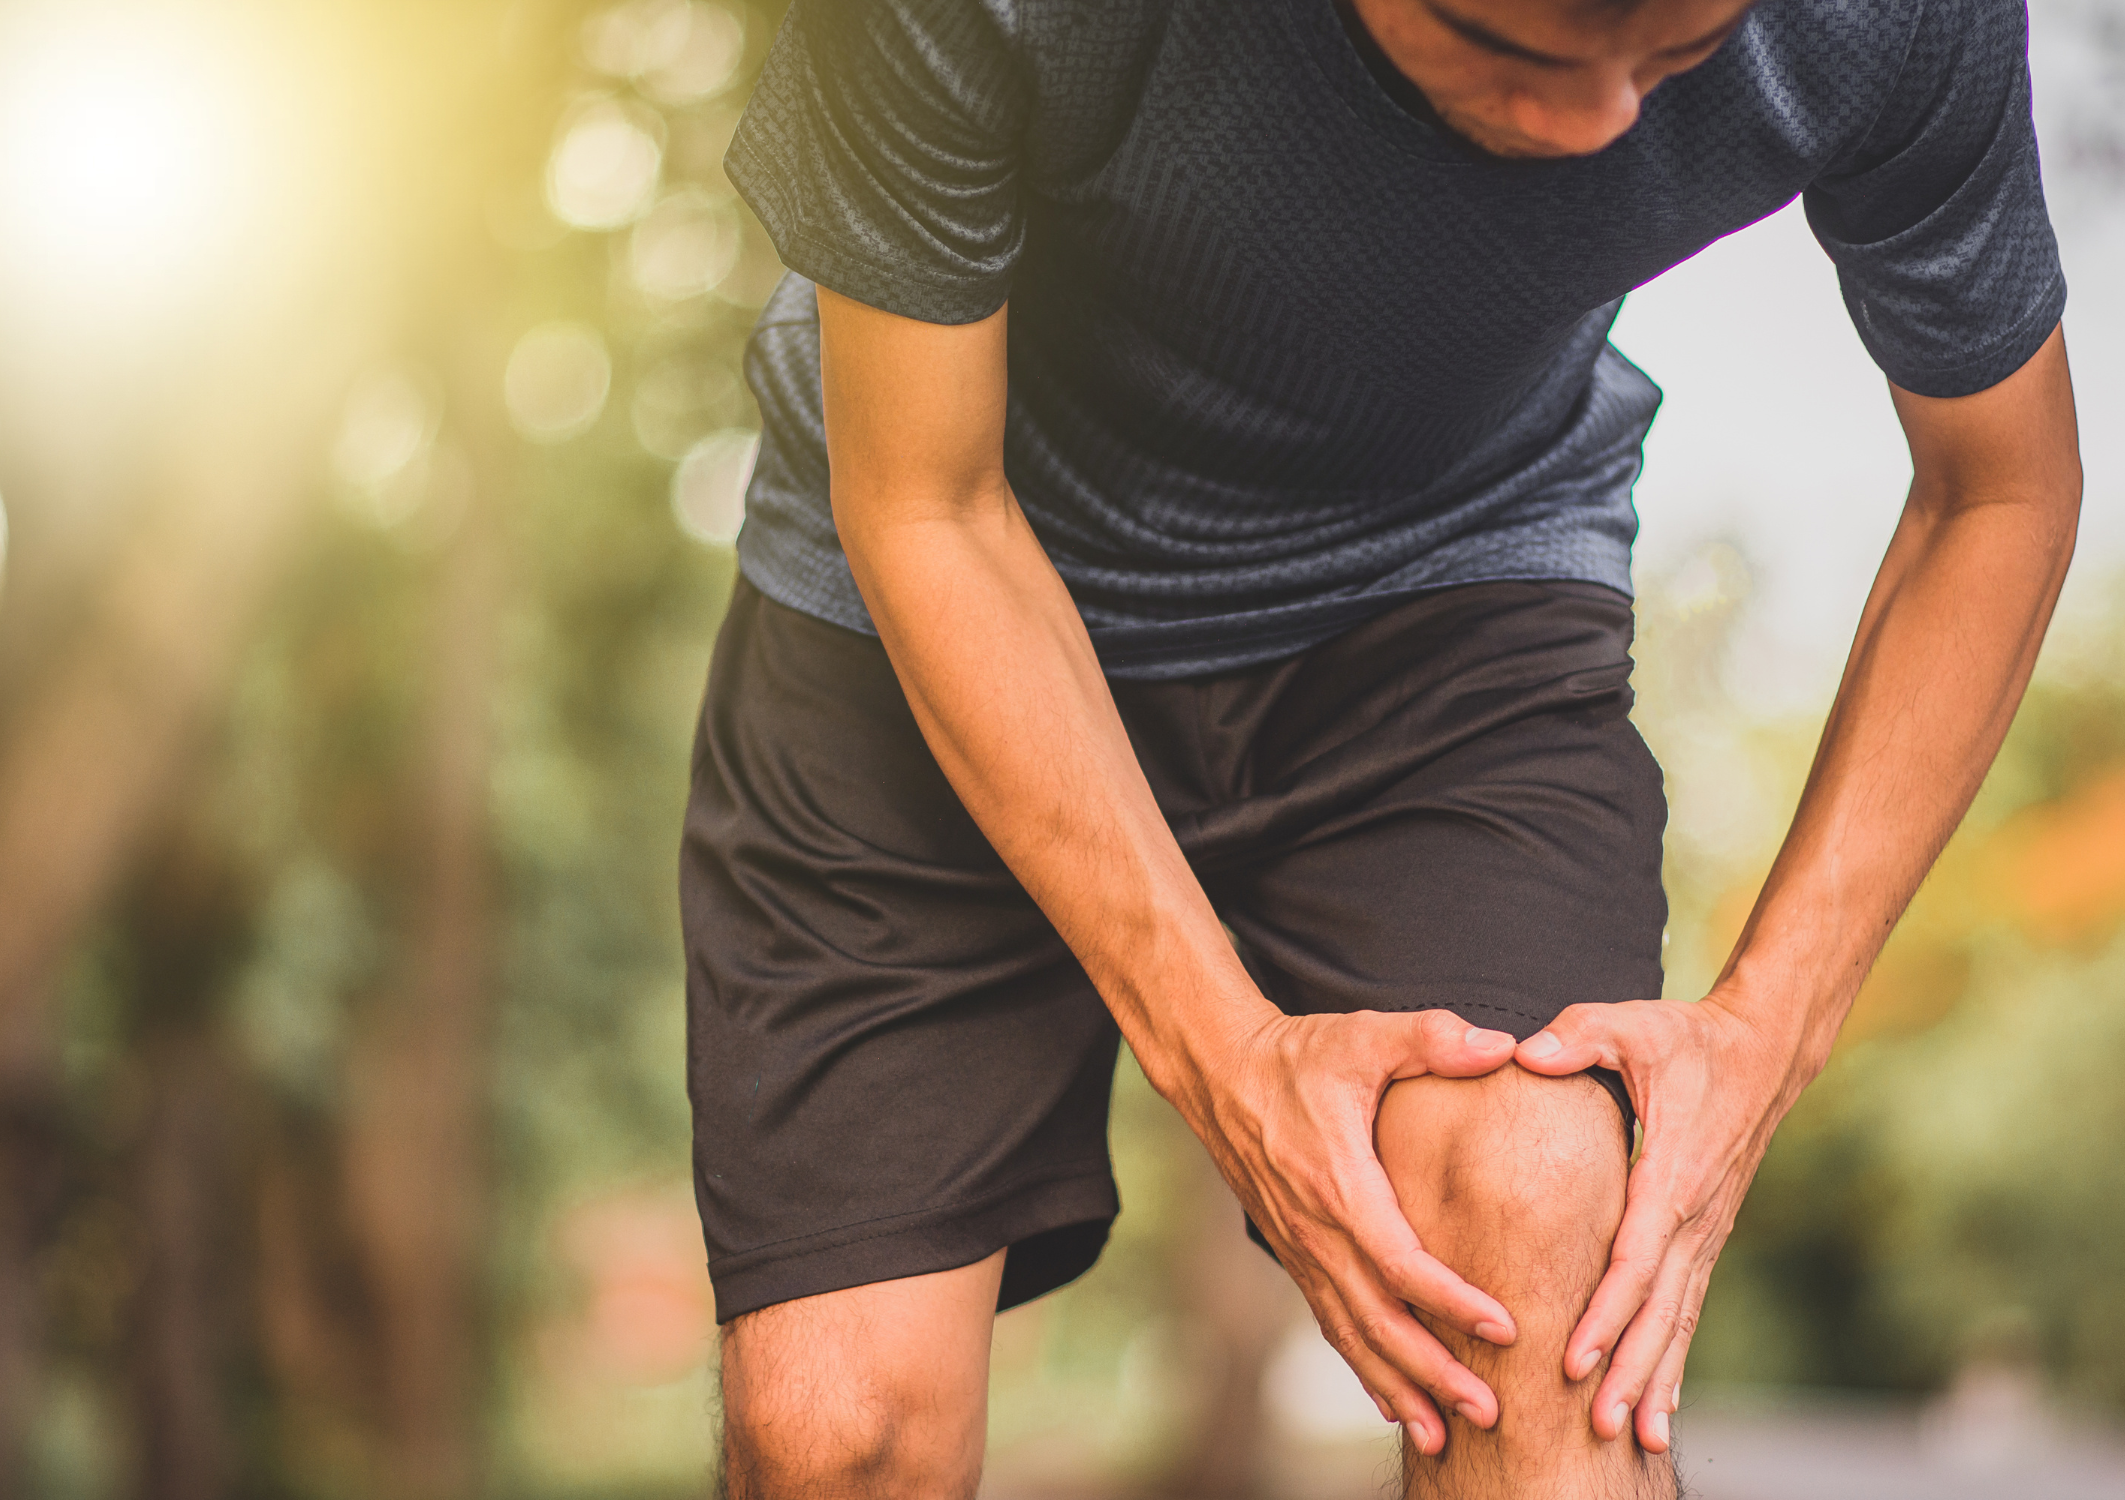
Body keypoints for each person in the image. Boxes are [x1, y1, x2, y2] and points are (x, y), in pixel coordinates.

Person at [677, 0, 2082, 1492]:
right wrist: (1226, 1056)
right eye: (1521, 53)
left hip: (1444, 602)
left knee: (1539, 1255)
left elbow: (1998, 493)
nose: (1601, 127)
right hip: (930, 592)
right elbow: (927, 508)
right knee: (837, 1430)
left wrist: (1766, 1035)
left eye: (1673, 58)